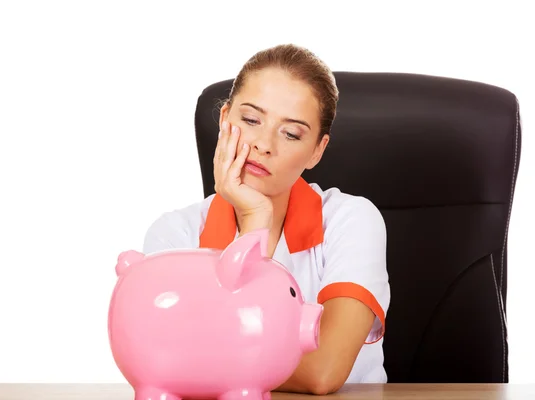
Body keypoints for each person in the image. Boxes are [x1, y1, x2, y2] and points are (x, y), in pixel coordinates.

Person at [143, 44, 390, 395]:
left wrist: (206, 352)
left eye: (291, 133)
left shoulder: (352, 220)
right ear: (224, 119)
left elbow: (325, 371)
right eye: (250, 120)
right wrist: (254, 220)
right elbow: (162, 359)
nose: (264, 144)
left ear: (317, 151)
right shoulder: (173, 236)